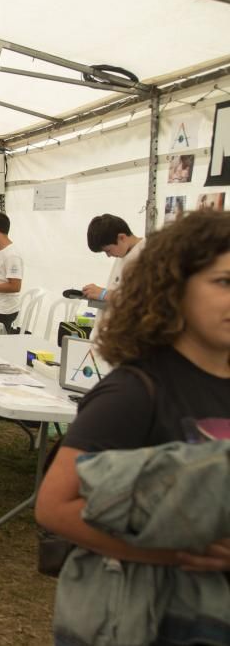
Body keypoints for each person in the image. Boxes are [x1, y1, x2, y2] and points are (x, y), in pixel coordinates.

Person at [35, 211, 230, 636]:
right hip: (150, 618)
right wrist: (171, 552)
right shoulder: (134, 393)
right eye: (224, 282)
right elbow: (54, 505)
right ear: (172, 289)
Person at [81, 214, 145, 304]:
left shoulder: (147, 256)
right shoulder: (123, 253)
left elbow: (141, 300)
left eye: (108, 250)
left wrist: (103, 294)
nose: (108, 255)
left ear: (121, 238)